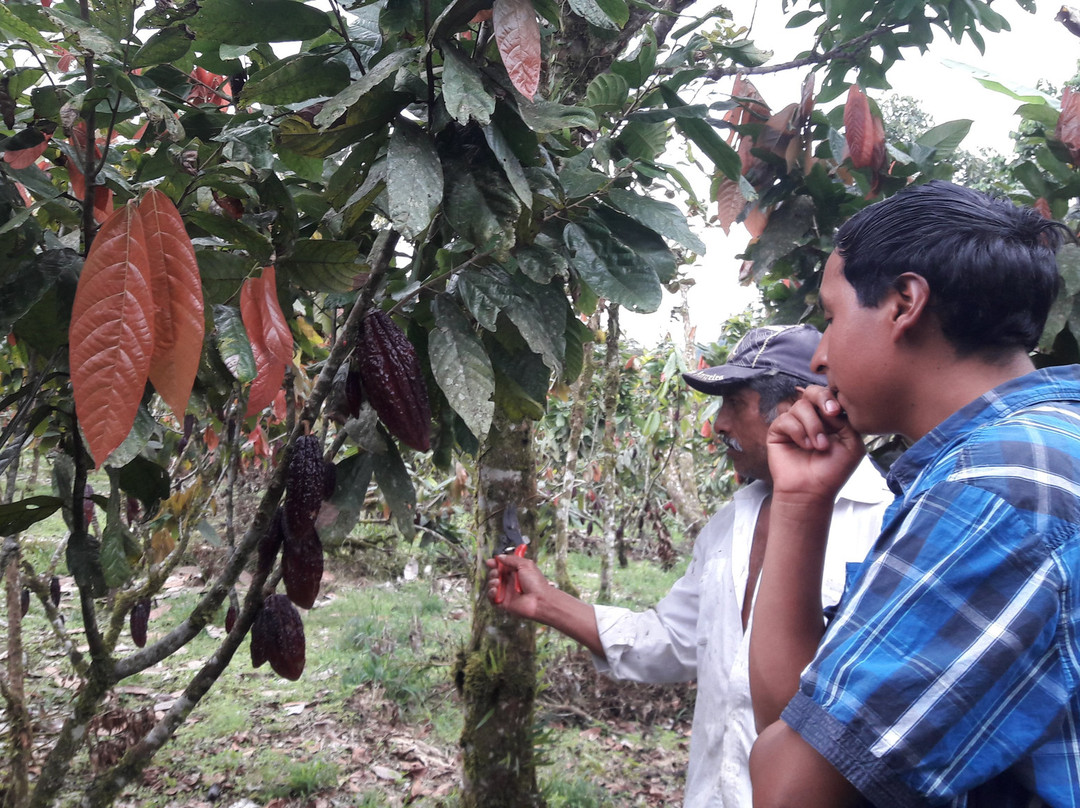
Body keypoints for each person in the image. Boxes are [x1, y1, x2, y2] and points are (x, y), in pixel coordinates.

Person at [747, 181, 1079, 808]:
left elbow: (792, 792)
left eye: (831, 316)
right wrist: (800, 506)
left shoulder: (995, 493)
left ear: (904, 303)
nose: (818, 356)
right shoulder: (1048, 448)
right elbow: (801, 730)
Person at [486, 324, 893, 808]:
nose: (719, 425)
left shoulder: (887, 523)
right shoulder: (729, 524)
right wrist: (547, 602)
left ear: (795, 410)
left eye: (733, 405)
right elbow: (674, 642)